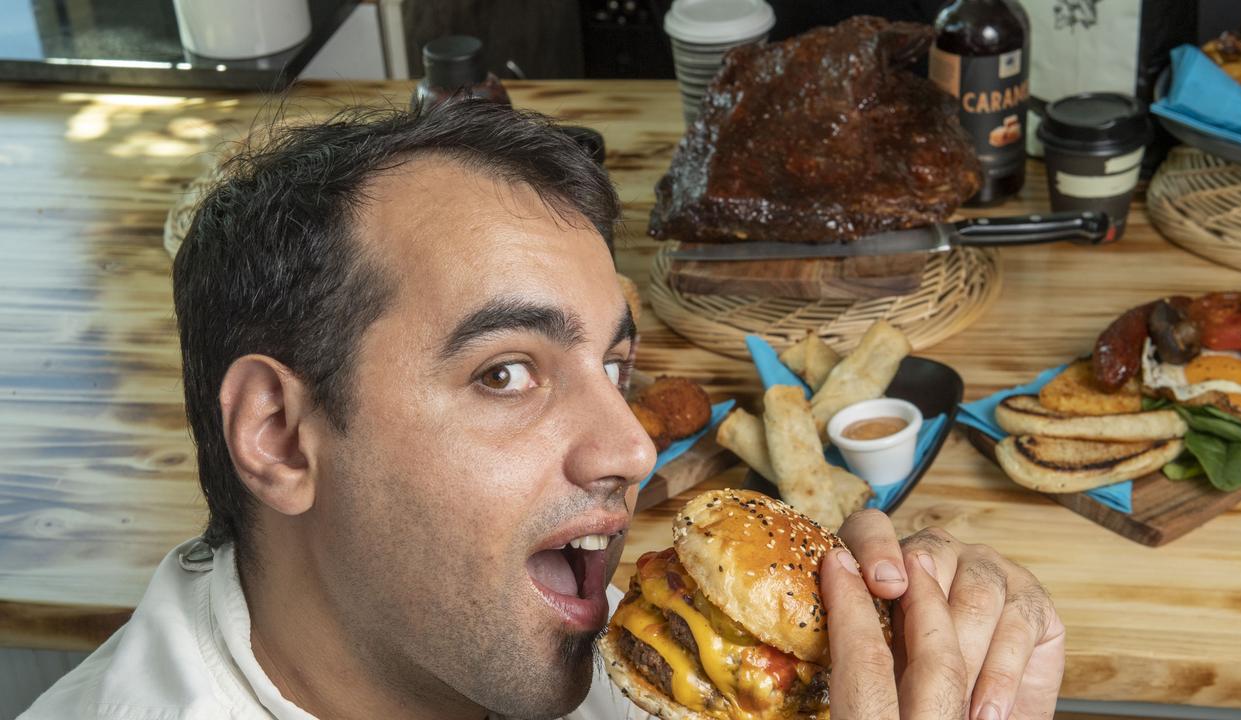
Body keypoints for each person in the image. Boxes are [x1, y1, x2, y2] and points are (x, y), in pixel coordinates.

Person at [22, 100, 1064, 720]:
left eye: (613, 368)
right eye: (505, 373)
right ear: (280, 435)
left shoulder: (595, 639)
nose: (629, 450)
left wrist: (922, 642)